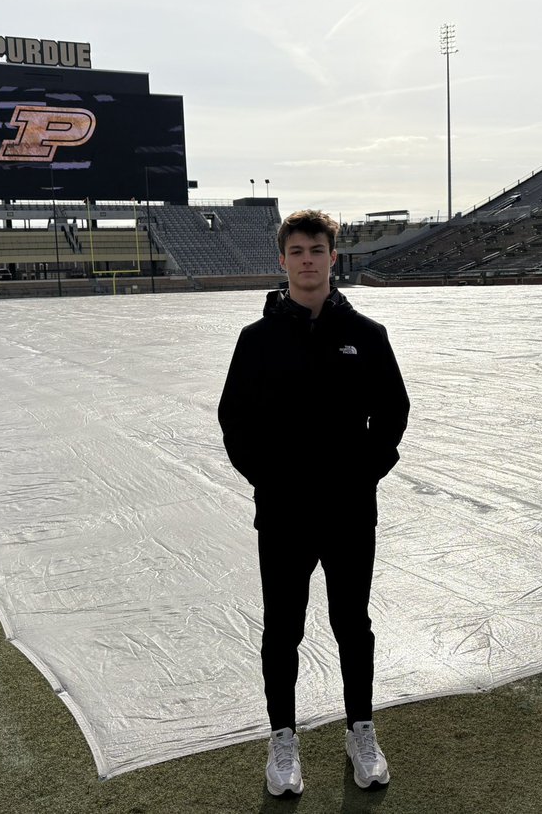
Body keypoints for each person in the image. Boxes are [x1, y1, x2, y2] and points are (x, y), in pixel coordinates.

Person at [218, 209, 410, 797]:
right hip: (284, 514)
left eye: (317, 250)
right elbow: (234, 421)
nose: (307, 260)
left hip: (349, 512)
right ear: (283, 260)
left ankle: (361, 730)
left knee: (353, 624)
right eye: (297, 251)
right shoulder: (256, 340)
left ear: (333, 257)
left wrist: (363, 475)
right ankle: (283, 739)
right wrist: (268, 480)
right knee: (283, 628)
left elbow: (393, 413)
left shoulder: (367, 335)